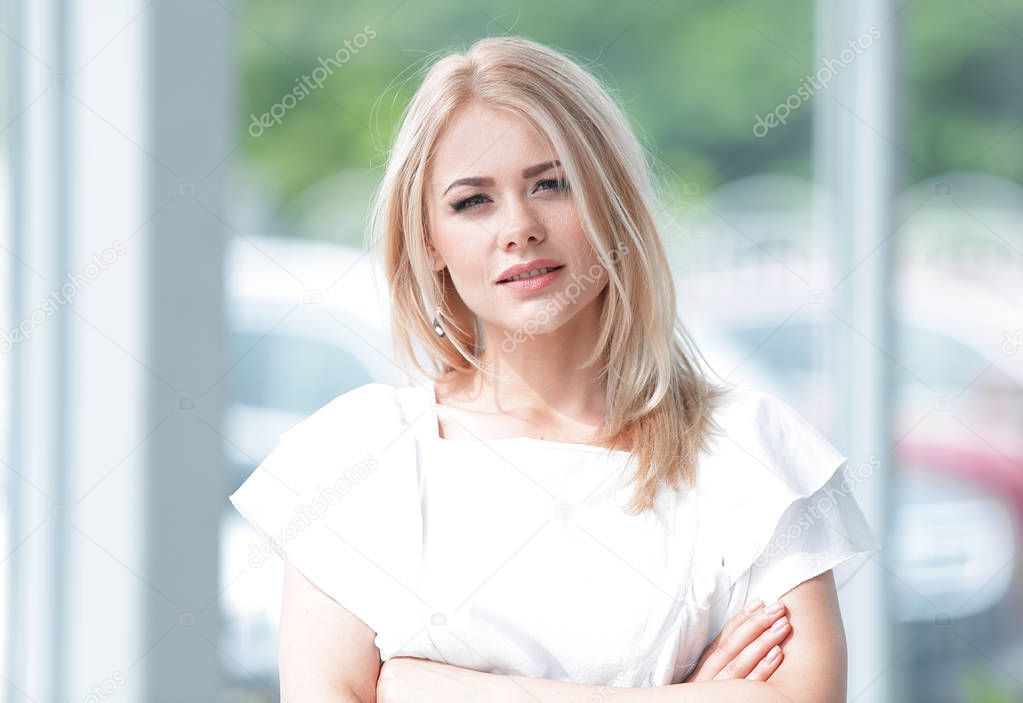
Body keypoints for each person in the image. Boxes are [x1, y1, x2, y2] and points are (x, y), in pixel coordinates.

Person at [229, 35, 880, 702]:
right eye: (471, 201)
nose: (518, 226)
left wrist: (431, 687)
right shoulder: (360, 455)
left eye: (550, 184)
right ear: (428, 242)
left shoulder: (745, 452)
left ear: (611, 203)